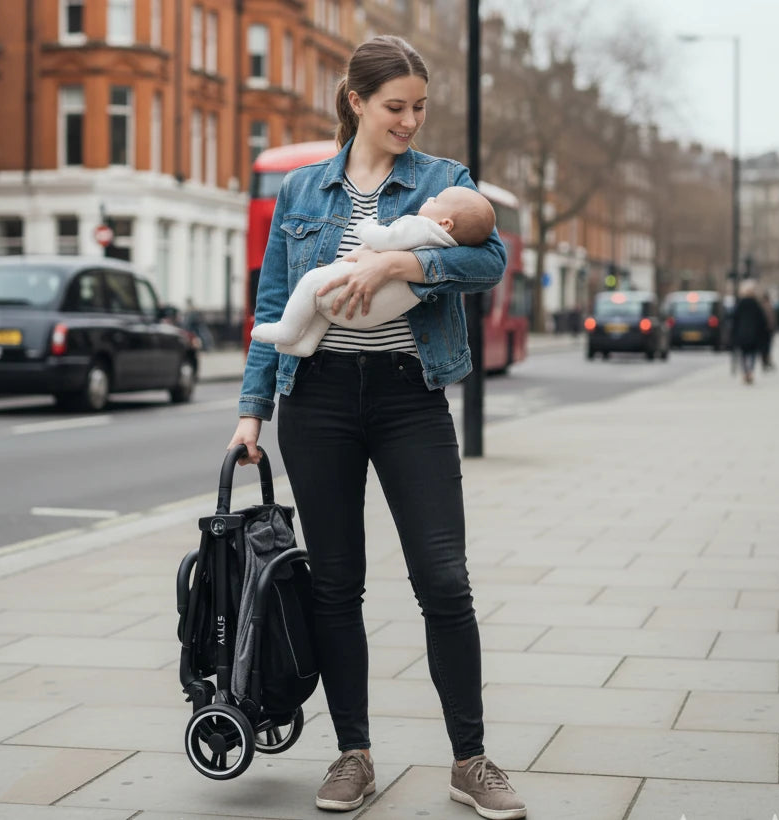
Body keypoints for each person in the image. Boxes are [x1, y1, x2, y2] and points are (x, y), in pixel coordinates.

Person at [227, 35, 525, 820]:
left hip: (407, 397)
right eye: (396, 106)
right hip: (316, 399)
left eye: (420, 107)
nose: (410, 120)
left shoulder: (441, 181)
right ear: (356, 101)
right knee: (335, 584)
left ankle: (471, 759)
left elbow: (489, 258)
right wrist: (251, 411)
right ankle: (351, 754)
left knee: (443, 579)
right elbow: (272, 302)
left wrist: (406, 265)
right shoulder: (299, 192)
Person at [250, 186, 495, 357]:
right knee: (322, 307)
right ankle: (305, 344)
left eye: (436, 201)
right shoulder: (449, 244)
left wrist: (366, 227)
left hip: (356, 303)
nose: (429, 199)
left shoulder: (422, 227)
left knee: (311, 282)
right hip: (374, 312)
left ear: (445, 223)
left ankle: (288, 329)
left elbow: (386, 239)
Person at [731, 279, 768, 384]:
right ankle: (750, 372)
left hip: (742, 333)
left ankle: (745, 372)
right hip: (754, 334)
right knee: (752, 354)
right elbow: (762, 321)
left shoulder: (740, 304)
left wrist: (734, 333)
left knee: (743, 354)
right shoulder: (756, 305)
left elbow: (735, 319)